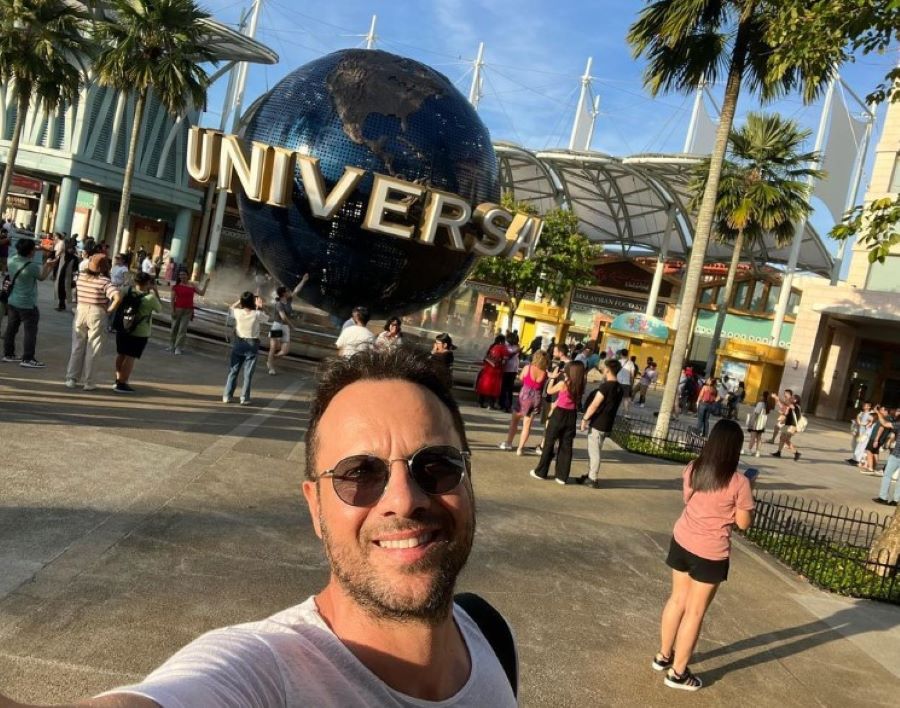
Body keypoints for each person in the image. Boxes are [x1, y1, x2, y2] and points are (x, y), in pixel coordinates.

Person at [0, 350, 517, 706]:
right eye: (360, 474)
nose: (404, 499)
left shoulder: (491, 636)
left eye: (437, 465)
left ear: (468, 480)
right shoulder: (264, 673)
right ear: (314, 507)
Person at [654, 419, 754, 691]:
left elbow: (688, 500)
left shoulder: (694, 467)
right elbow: (743, 523)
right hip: (710, 552)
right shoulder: (739, 482)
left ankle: (663, 656)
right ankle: (678, 673)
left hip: (682, 539)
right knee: (695, 612)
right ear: (735, 449)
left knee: (677, 600)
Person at [64, 254, 121, 391]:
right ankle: (89, 382)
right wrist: (109, 310)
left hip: (80, 311)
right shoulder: (105, 281)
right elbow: (117, 297)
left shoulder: (80, 277)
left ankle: (71, 378)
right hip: (97, 313)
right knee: (93, 348)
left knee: (77, 346)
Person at [2, 237, 57, 368]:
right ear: (30, 251)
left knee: (11, 329)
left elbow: (22, 251)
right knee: (30, 332)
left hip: (12, 300)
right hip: (27, 303)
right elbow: (42, 277)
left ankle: (8, 354)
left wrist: (39, 248)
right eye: (33, 249)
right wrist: (49, 265)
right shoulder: (31, 266)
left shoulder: (11, 259)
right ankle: (28, 358)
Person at [530, 360, 585, 485]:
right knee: (566, 445)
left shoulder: (563, 384)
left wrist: (552, 378)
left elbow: (549, 391)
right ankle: (562, 476)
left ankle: (541, 472)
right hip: (571, 415)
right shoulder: (580, 385)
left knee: (549, 442)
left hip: (559, 414)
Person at [579, 358, 624, 488]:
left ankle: (592, 478)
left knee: (594, 451)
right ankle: (590, 474)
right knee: (596, 448)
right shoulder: (619, 388)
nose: (603, 370)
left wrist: (585, 419)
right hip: (608, 422)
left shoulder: (605, 387)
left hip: (598, 422)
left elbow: (594, 404)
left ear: (608, 370)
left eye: (604, 368)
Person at [113, 272, 161, 393]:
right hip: (140, 331)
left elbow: (117, 299)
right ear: (148, 283)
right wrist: (155, 291)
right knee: (130, 357)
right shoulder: (150, 298)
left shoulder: (126, 290)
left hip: (122, 327)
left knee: (121, 354)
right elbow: (159, 309)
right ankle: (122, 384)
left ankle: (118, 379)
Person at [499, 349, 548, 455]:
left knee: (514, 421)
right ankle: (520, 449)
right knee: (527, 425)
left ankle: (509, 443)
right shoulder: (544, 373)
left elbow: (521, 378)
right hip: (536, 398)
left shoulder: (527, 368)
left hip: (524, 396)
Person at [223, 292, 268, 406]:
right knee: (248, 374)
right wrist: (261, 307)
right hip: (252, 344)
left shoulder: (238, 312)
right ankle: (244, 398)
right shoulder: (257, 314)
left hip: (239, 342)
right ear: (253, 302)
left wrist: (240, 300)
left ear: (242, 302)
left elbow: (231, 308)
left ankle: (227, 396)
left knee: (233, 371)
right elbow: (266, 319)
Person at [266, 275, 310, 375]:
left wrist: (303, 280)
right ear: (283, 294)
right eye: (287, 291)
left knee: (285, 351)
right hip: (277, 326)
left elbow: (296, 290)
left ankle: (270, 360)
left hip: (285, 327)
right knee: (273, 347)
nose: (289, 292)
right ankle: (271, 367)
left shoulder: (289, 299)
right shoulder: (279, 304)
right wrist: (292, 325)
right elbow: (283, 317)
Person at [168, 269, 210, 355]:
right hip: (178, 309)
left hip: (188, 311)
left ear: (188, 275)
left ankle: (178, 347)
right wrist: (172, 310)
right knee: (174, 328)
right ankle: (171, 345)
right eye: (180, 275)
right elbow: (172, 300)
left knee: (182, 329)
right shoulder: (175, 286)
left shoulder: (192, 285)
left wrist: (206, 284)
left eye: (184, 274)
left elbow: (201, 293)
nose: (182, 276)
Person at [873, 409, 900, 506]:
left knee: (887, 475)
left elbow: (884, 423)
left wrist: (878, 412)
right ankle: (896, 501)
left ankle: (883, 498)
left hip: (896, 454)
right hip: (896, 454)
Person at [475, 335, 506, 409]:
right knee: (494, 388)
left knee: (484, 386)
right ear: (501, 341)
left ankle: (480, 403)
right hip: (495, 371)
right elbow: (504, 359)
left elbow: (486, 357)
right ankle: (491, 404)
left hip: (487, 369)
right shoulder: (501, 348)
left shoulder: (492, 346)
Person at [862, 404, 893, 474]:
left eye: (881, 410)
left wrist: (876, 440)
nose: (880, 411)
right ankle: (873, 467)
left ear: (886, 411)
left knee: (869, 451)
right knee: (875, 452)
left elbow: (881, 429)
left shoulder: (885, 418)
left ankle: (870, 468)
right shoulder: (890, 418)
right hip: (881, 439)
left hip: (876, 438)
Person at [743, 391, 776, 457]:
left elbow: (756, 412)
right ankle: (758, 452)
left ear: (763, 396)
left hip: (756, 422)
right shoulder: (766, 404)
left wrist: (751, 419)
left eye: (761, 395)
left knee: (753, 437)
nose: (759, 397)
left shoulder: (760, 403)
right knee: (759, 438)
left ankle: (749, 450)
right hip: (762, 422)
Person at [772, 393, 802, 461]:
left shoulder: (796, 406)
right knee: (782, 438)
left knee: (785, 439)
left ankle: (796, 453)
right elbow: (785, 408)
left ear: (795, 400)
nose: (790, 398)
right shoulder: (793, 406)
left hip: (792, 426)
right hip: (788, 425)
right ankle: (778, 452)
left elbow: (786, 403)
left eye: (792, 398)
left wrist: (777, 397)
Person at [54, 238, 78, 312]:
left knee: (64, 291)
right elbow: (57, 265)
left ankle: (62, 305)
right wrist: (54, 274)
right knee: (60, 290)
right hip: (60, 276)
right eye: (70, 249)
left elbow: (76, 269)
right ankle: (61, 305)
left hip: (68, 277)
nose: (71, 250)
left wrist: (74, 278)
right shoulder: (62, 256)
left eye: (72, 249)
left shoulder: (75, 258)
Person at [499, 332, 520, 413]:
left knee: (510, 388)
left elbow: (517, 356)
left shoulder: (516, 346)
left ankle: (508, 405)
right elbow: (507, 356)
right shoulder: (505, 346)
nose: (515, 340)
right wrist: (515, 352)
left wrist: (519, 351)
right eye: (514, 339)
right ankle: (503, 404)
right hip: (506, 369)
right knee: (504, 388)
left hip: (513, 370)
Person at [617, 348, 636, 414]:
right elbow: (632, 375)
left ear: (621, 354)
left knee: (616, 397)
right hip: (626, 383)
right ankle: (626, 413)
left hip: (617, 382)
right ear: (627, 354)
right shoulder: (631, 363)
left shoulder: (618, 362)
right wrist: (632, 384)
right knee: (626, 398)